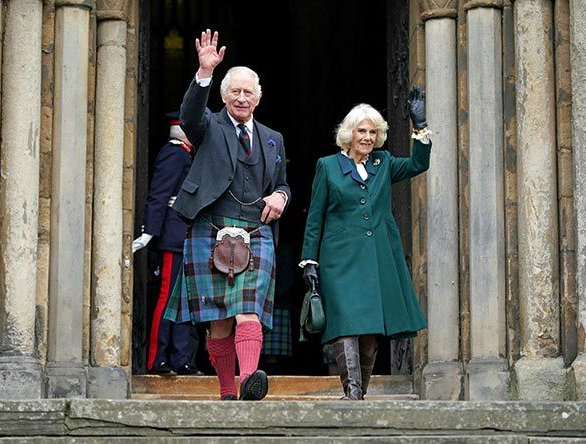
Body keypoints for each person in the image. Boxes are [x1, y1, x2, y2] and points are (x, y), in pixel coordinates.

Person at [163, 29, 291, 401]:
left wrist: (282, 196)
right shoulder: (208, 126)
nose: (241, 97)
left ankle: (249, 379)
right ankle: (226, 390)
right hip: (211, 227)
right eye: (234, 91)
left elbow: (283, 182)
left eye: (248, 91)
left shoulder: (273, 138)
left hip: (257, 231)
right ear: (223, 95)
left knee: (248, 310)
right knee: (219, 321)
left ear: (259, 98)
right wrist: (204, 71)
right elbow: (189, 113)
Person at [300, 86, 430, 400]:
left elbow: (418, 165)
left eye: (373, 132)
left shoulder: (382, 163)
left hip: (376, 258)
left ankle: (361, 393)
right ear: (349, 133)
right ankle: (352, 392)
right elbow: (315, 217)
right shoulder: (328, 166)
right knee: (345, 323)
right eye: (362, 131)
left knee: (370, 329)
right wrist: (309, 261)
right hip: (339, 260)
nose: (368, 137)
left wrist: (421, 127)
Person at [132, 112, 201, 376]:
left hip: (185, 237)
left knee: (184, 301)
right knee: (166, 299)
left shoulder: (186, 155)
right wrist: (149, 232)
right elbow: (159, 194)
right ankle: (157, 359)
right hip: (173, 237)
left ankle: (180, 358)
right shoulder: (175, 153)